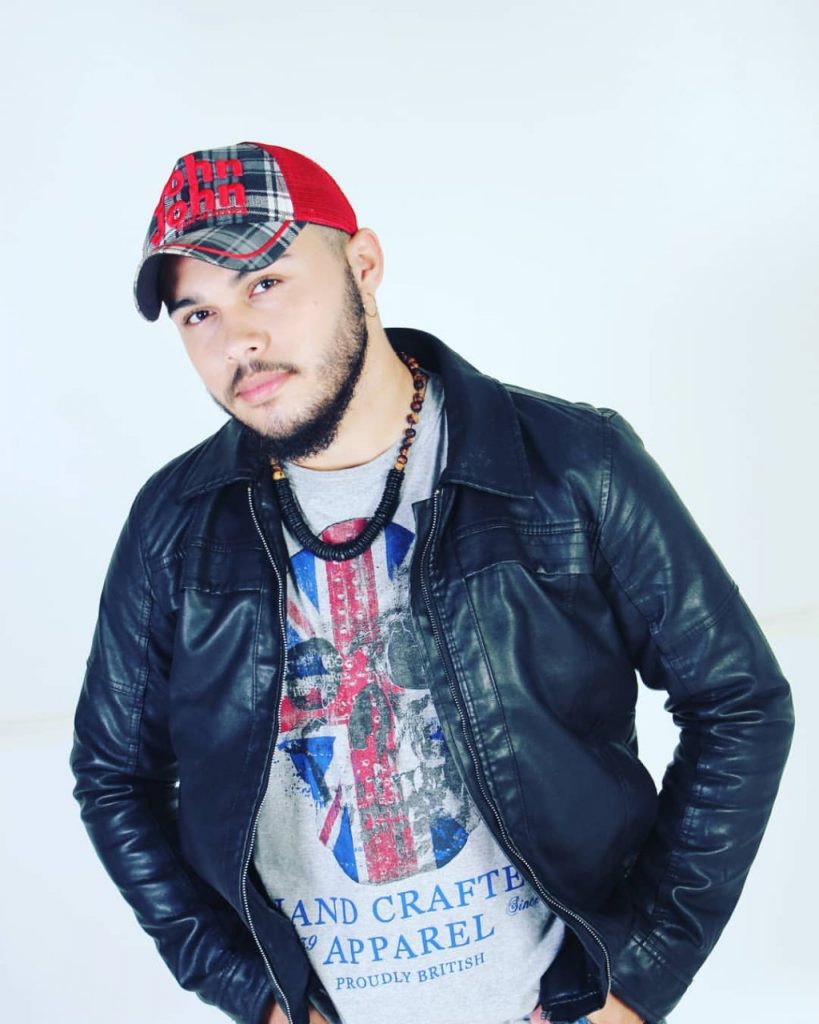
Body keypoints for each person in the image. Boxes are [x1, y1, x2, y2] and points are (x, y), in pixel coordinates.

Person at [70, 141, 794, 1024]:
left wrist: (637, 981)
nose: (239, 340)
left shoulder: (573, 467)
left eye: (266, 283)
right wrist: (249, 995)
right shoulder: (174, 523)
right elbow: (114, 774)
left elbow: (738, 701)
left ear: (363, 264)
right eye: (198, 313)